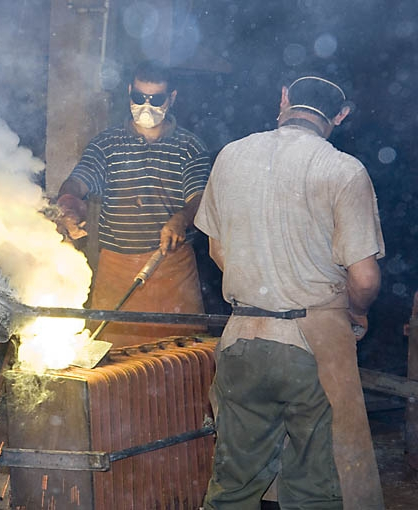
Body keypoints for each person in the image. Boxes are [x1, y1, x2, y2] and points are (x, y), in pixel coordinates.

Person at [194, 75, 385, 509]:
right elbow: (366, 278)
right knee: (315, 481)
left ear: (284, 99)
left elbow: (217, 248)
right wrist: (357, 310)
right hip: (313, 342)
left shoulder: (231, 155)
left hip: (243, 335)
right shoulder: (343, 169)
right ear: (340, 116)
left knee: (235, 479)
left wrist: (262, 285)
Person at [55, 59, 211, 347]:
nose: (146, 106)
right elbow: (78, 180)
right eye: (139, 97)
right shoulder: (107, 144)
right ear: (129, 92)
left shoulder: (190, 148)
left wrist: (181, 218)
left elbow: (199, 198)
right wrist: (68, 200)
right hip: (116, 270)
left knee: (182, 360)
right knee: (114, 364)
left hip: (171, 271)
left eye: (156, 99)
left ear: (172, 98)